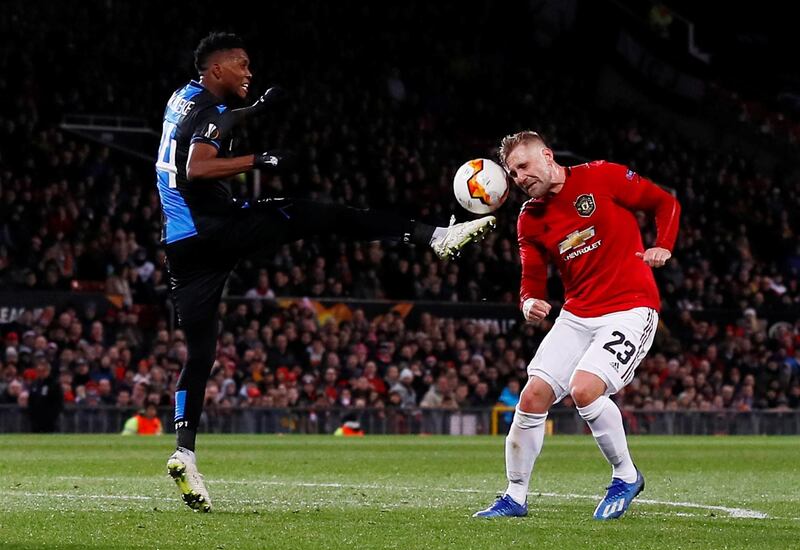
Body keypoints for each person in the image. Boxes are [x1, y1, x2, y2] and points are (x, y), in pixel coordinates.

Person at [159, 31, 496, 512]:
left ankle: (184, 452)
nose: (249, 71)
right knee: (324, 215)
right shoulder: (209, 112)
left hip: (182, 246)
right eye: (242, 64)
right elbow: (197, 166)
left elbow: (205, 127)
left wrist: (254, 111)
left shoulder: (182, 96)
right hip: (217, 227)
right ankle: (435, 237)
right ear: (217, 70)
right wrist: (260, 157)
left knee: (200, 351)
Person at [474, 131, 680, 520]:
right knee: (532, 396)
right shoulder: (529, 219)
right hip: (577, 314)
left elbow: (663, 202)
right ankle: (514, 497)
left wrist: (664, 244)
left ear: (547, 156)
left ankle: (626, 475)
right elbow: (532, 279)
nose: (518, 177)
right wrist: (529, 302)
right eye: (512, 173)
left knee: (584, 389)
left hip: (630, 307)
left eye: (523, 166)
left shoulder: (601, 176)